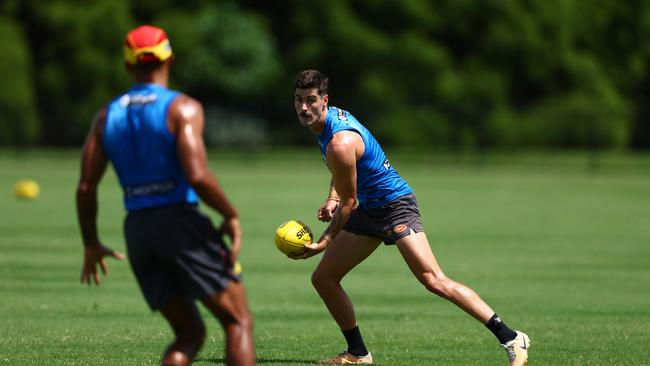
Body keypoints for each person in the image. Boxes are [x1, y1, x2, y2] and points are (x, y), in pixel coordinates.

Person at [290, 69, 530, 365]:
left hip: (395, 206)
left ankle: (511, 337)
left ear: (324, 100)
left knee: (433, 280)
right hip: (368, 209)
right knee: (324, 279)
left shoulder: (339, 140)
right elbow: (344, 175)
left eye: (311, 100)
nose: (304, 107)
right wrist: (332, 197)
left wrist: (324, 242)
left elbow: (348, 199)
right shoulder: (328, 124)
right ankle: (357, 353)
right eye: (299, 100)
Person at [76, 25, 255, 366]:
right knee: (237, 321)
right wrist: (230, 214)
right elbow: (198, 176)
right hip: (179, 223)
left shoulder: (106, 115)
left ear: (128, 66)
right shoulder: (182, 108)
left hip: (138, 232)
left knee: (188, 334)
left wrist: (90, 242)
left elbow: (86, 186)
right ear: (169, 58)